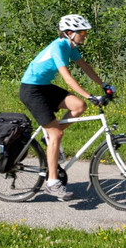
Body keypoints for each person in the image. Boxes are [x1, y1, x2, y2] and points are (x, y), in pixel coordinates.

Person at [19, 14, 107, 201]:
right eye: (81, 32)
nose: (84, 35)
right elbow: (67, 78)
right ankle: (52, 183)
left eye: (85, 32)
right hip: (31, 89)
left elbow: (85, 66)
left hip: (44, 87)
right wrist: (90, 95)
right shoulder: (58, 47)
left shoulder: (70, 47)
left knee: (78, 106)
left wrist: (104, 86)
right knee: (57, 134)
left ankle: (48, 135)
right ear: (69, 33)